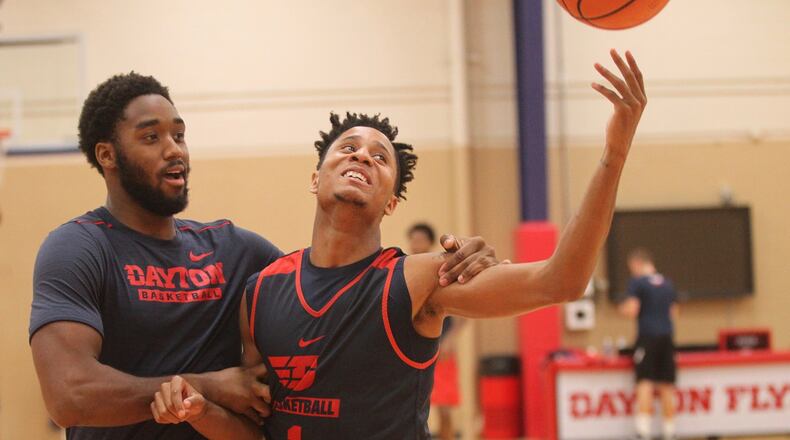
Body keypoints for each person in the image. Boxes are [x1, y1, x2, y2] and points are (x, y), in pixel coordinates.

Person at [153, 49, 646, 439]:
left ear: (391, 202)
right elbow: (256, 429)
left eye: (380, 157)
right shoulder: (261, 292)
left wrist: (615, 153)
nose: (362, 156)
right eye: (348, 147)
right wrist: (200, 411)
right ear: (315, 177)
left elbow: (561, 281)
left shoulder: (418, 280)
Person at [29, 73, 497, 440]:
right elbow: (69, 396)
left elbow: (340, 293)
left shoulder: (235, 249)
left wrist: (461, 263)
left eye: (180, 135)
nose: (175, 150)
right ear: (107, 155)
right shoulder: (79, 247)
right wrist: (207, 384)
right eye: (152, 138)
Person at [408, 223, 464, 440]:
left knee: (444, 408)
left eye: (420, 240)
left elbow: (463, 311)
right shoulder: (405, 270)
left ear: (429, 243)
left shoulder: (443, 270)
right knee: (413, 408)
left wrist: (450, 339)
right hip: (415, 350)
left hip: (441, 350)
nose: (416, 244)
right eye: (413, 240)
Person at [618, 248, 679, 440]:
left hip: (647, 337)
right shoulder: (667, 283)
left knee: (644, 381)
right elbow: (674, 312)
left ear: (636, 264)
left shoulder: (638, 282)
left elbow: (632, 309)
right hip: (667, 337)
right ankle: (669, 431)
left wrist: (621, 309)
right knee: (667, 384)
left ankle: (643, 431)